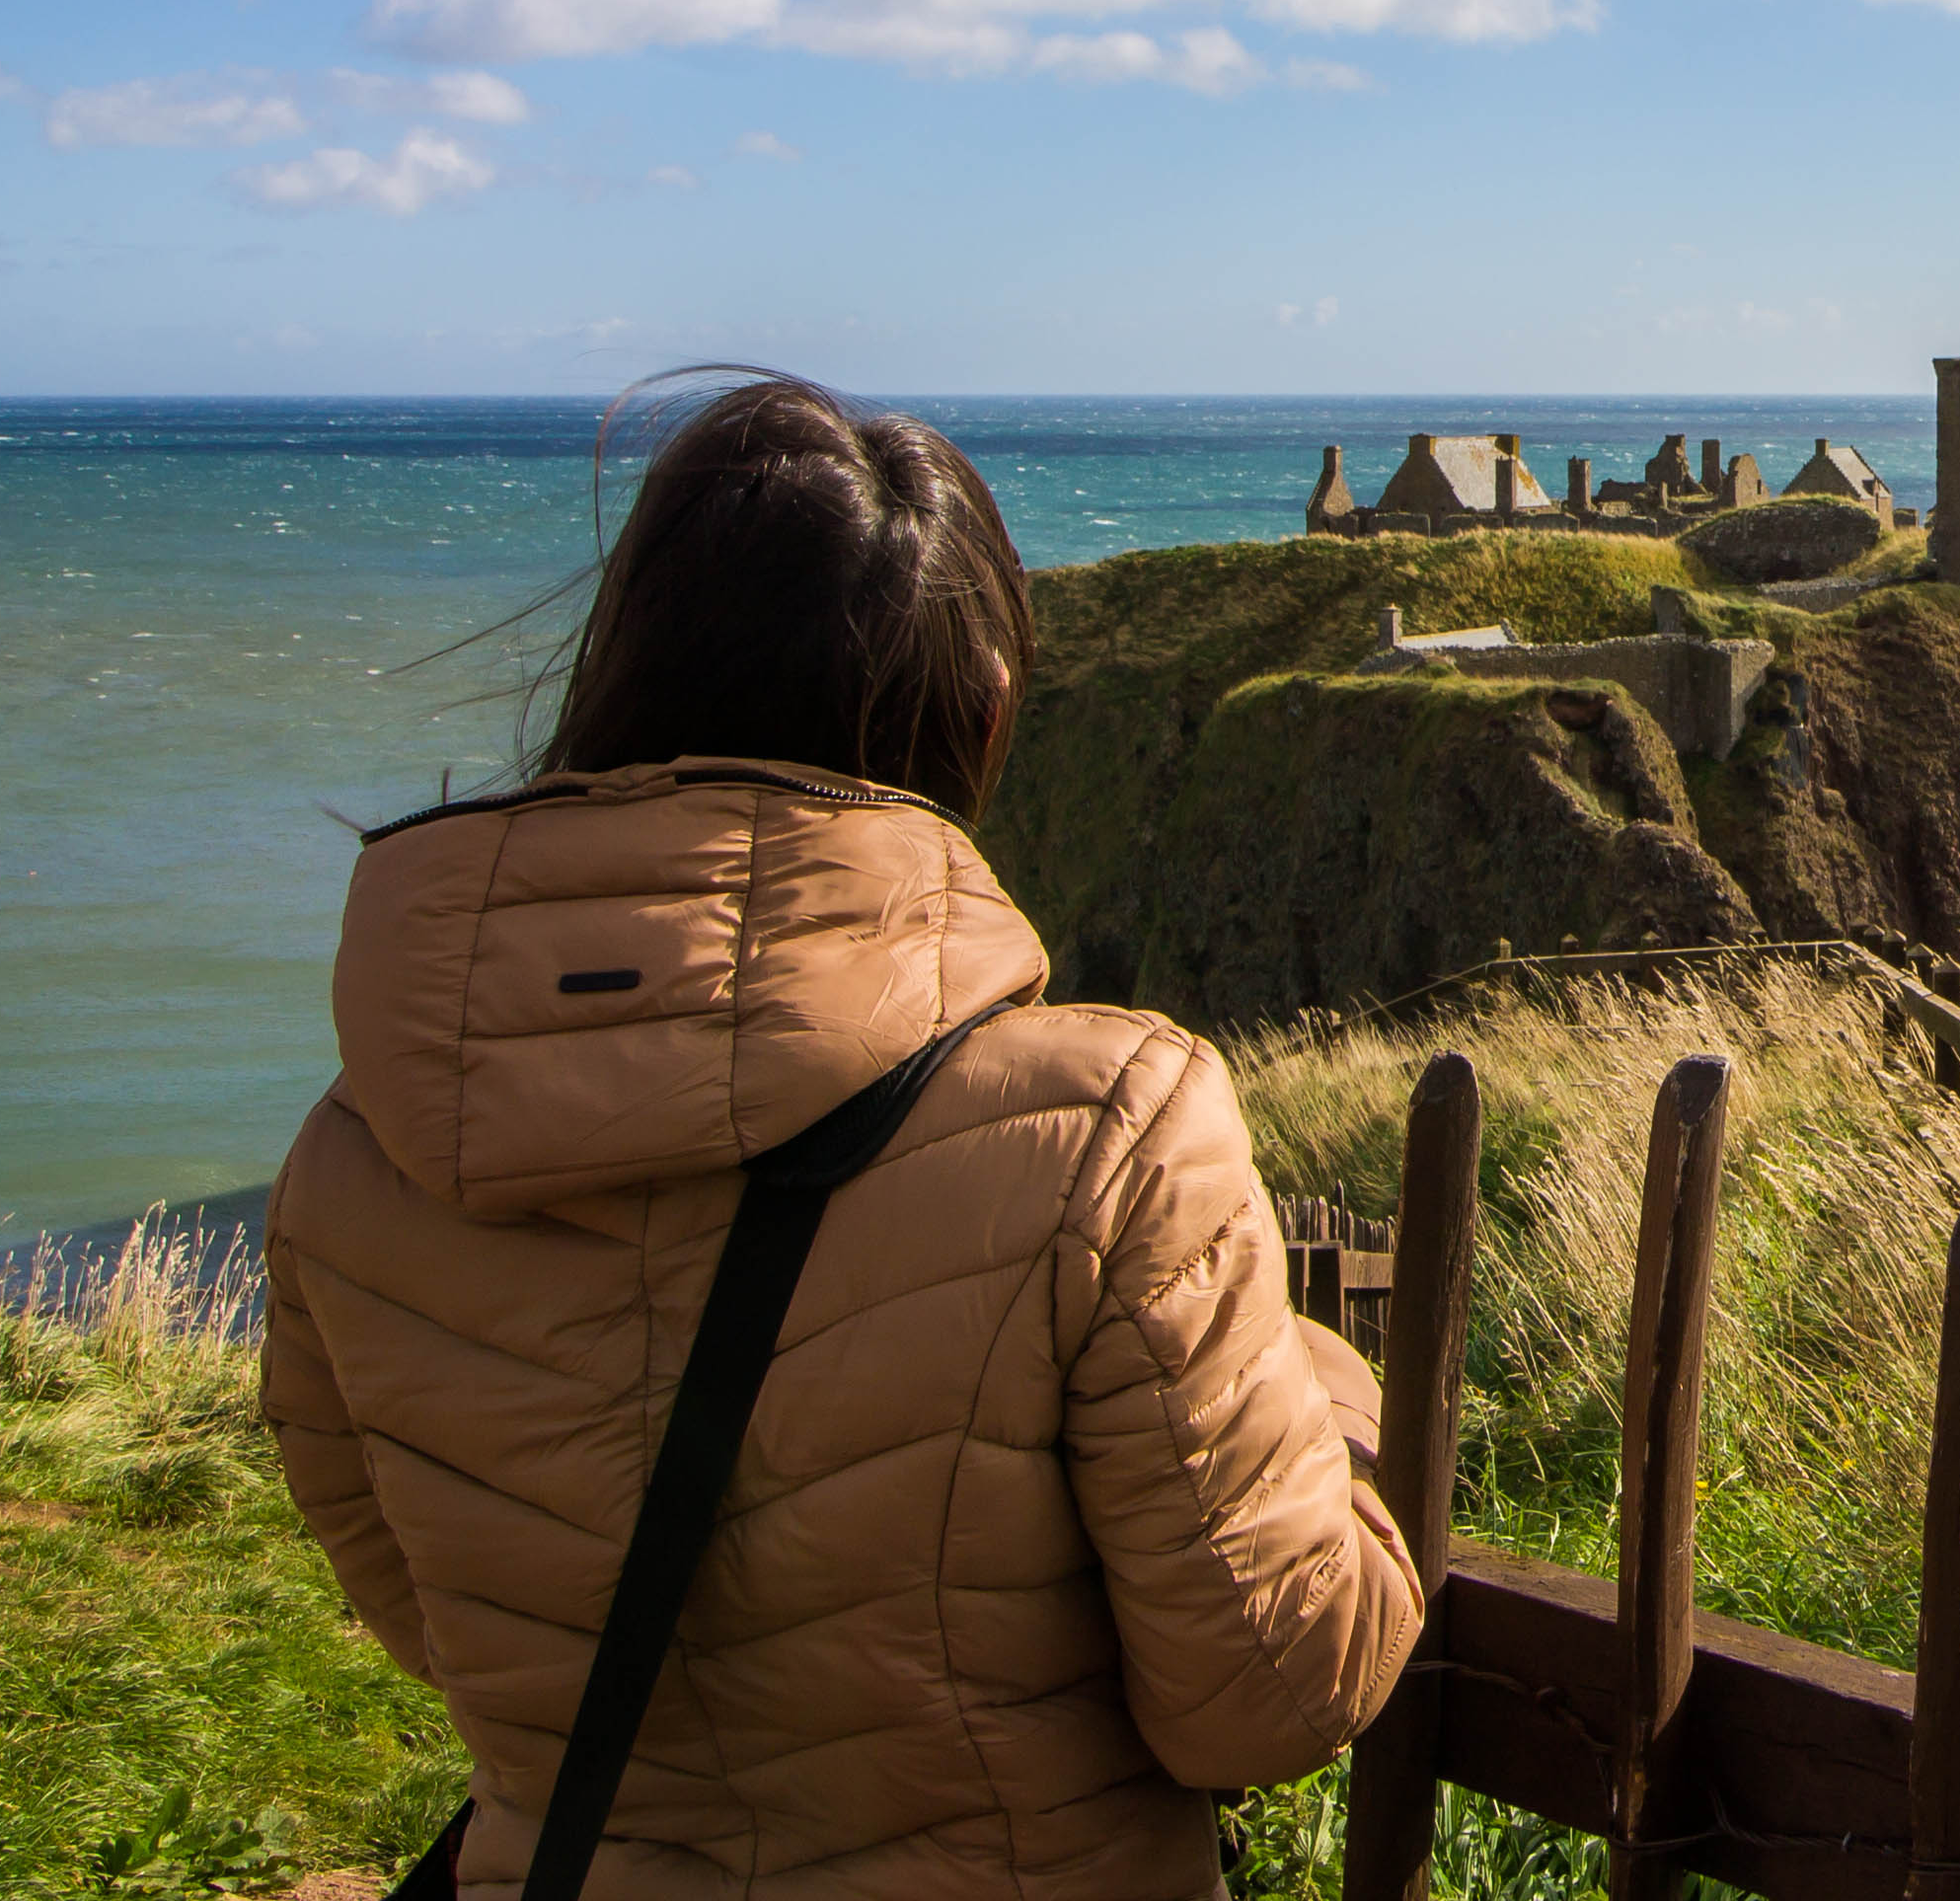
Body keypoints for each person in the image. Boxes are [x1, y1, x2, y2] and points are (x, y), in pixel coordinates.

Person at [264, 376, 1420, 1900]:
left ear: (620, 670)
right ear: (992, 709)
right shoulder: (1108, 1133)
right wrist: (1329, 1394)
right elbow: (1271, 1694)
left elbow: (441, 1625)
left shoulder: (356, 1159)